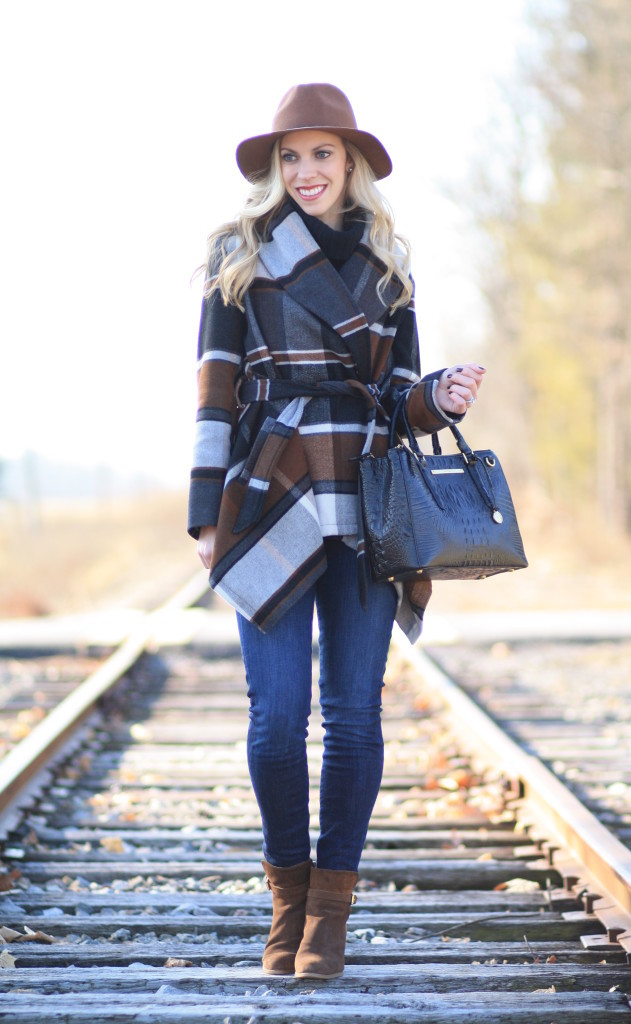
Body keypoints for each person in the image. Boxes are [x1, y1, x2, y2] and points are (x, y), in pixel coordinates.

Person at [187, 83, 485, 981]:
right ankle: (285, 897)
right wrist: (207, 512)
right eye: (290, 156)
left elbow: (396, 397)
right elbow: (214, 387)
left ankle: (327, 917)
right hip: (270, 492)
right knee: (277, 723)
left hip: (363, 496)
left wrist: (436, 397)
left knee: (353, 721)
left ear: (350, 163)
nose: (305, 171)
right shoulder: (237, 255)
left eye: (321, 154)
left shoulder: (388, 266)